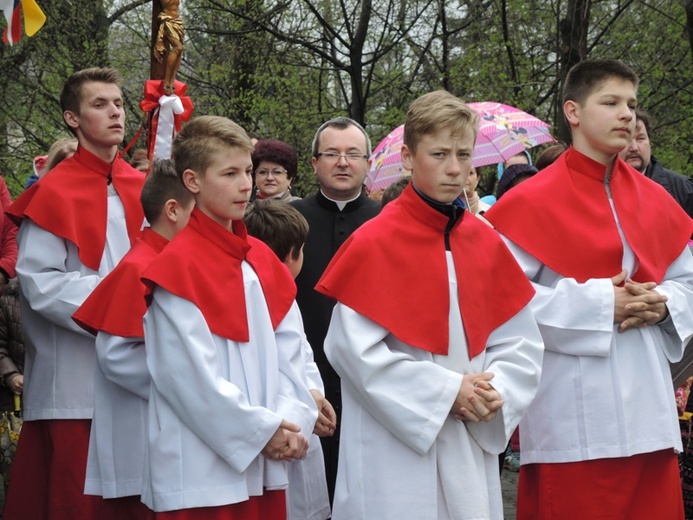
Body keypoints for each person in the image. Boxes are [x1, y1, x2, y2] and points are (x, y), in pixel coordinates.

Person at [316, 90, 544, 519]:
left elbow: (521, 343)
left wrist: (495, 394)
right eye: (439, 153)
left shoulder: (486, 242)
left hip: (467, 434)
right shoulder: (374, 242)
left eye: (464, 154)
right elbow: (351, 351)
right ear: (407, 157)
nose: (455, 168)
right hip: (393, 446)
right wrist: (445, 392)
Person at [485, 59, 693, 519]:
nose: (627, 115)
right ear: (573, 112)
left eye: (632, 105)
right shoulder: (528, 203)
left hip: (650, 412)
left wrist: (661, 304)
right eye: (612, 102)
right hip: (571, 415)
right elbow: (502, 301)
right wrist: (603, 303)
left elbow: (688, 281)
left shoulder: (656, 197)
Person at [139, 115, 317, 518]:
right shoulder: (176, 268)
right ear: (192, 181)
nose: (246, 185)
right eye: (230, 173)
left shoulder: (261, 261)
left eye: (249, 171)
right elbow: (187, 378)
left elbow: (291, 351)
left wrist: (291, 422)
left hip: (268, 456)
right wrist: (260, 432)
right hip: (202, 469)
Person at [4, 67, 146, 519]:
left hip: (140, 371)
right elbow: (40, 282)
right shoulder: (52, 192)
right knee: (76, 503)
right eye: (99, 104)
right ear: (72, 118)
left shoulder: (143, 190)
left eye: (119, 103)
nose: (114, 113)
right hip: (76, 377)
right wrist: (122, 304)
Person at [71, 159, 193, 519]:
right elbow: (115, 355)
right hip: (140, 432)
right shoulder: (139, 265)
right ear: (173, 210)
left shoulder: (164, 256)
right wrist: (188, 387)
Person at [290, 116, 380, 502]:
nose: (343, 162)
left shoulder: (387, 220)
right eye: (332, 154)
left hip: (373, 377)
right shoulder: (290, 220)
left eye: (353, 154)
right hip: (305, 376)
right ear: (314, 163)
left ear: (368, 162)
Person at [244, 199, 333, 520]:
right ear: (293, 255)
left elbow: (302, 357)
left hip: (298, 416)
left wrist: (314, 393)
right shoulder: (262, 294)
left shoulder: (283, 295)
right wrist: (307, 402)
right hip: (284, 426)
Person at [619, 109, 693, 218]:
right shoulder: (601, 191)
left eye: (640, 139)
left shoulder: (684, 190)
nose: (634, 148)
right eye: (627, 140)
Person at [154, 0, 183, 95]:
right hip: (167, 21)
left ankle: (172, 80)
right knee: (178, 47)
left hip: (177, 21)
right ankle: (166, 80)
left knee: (180, 50)